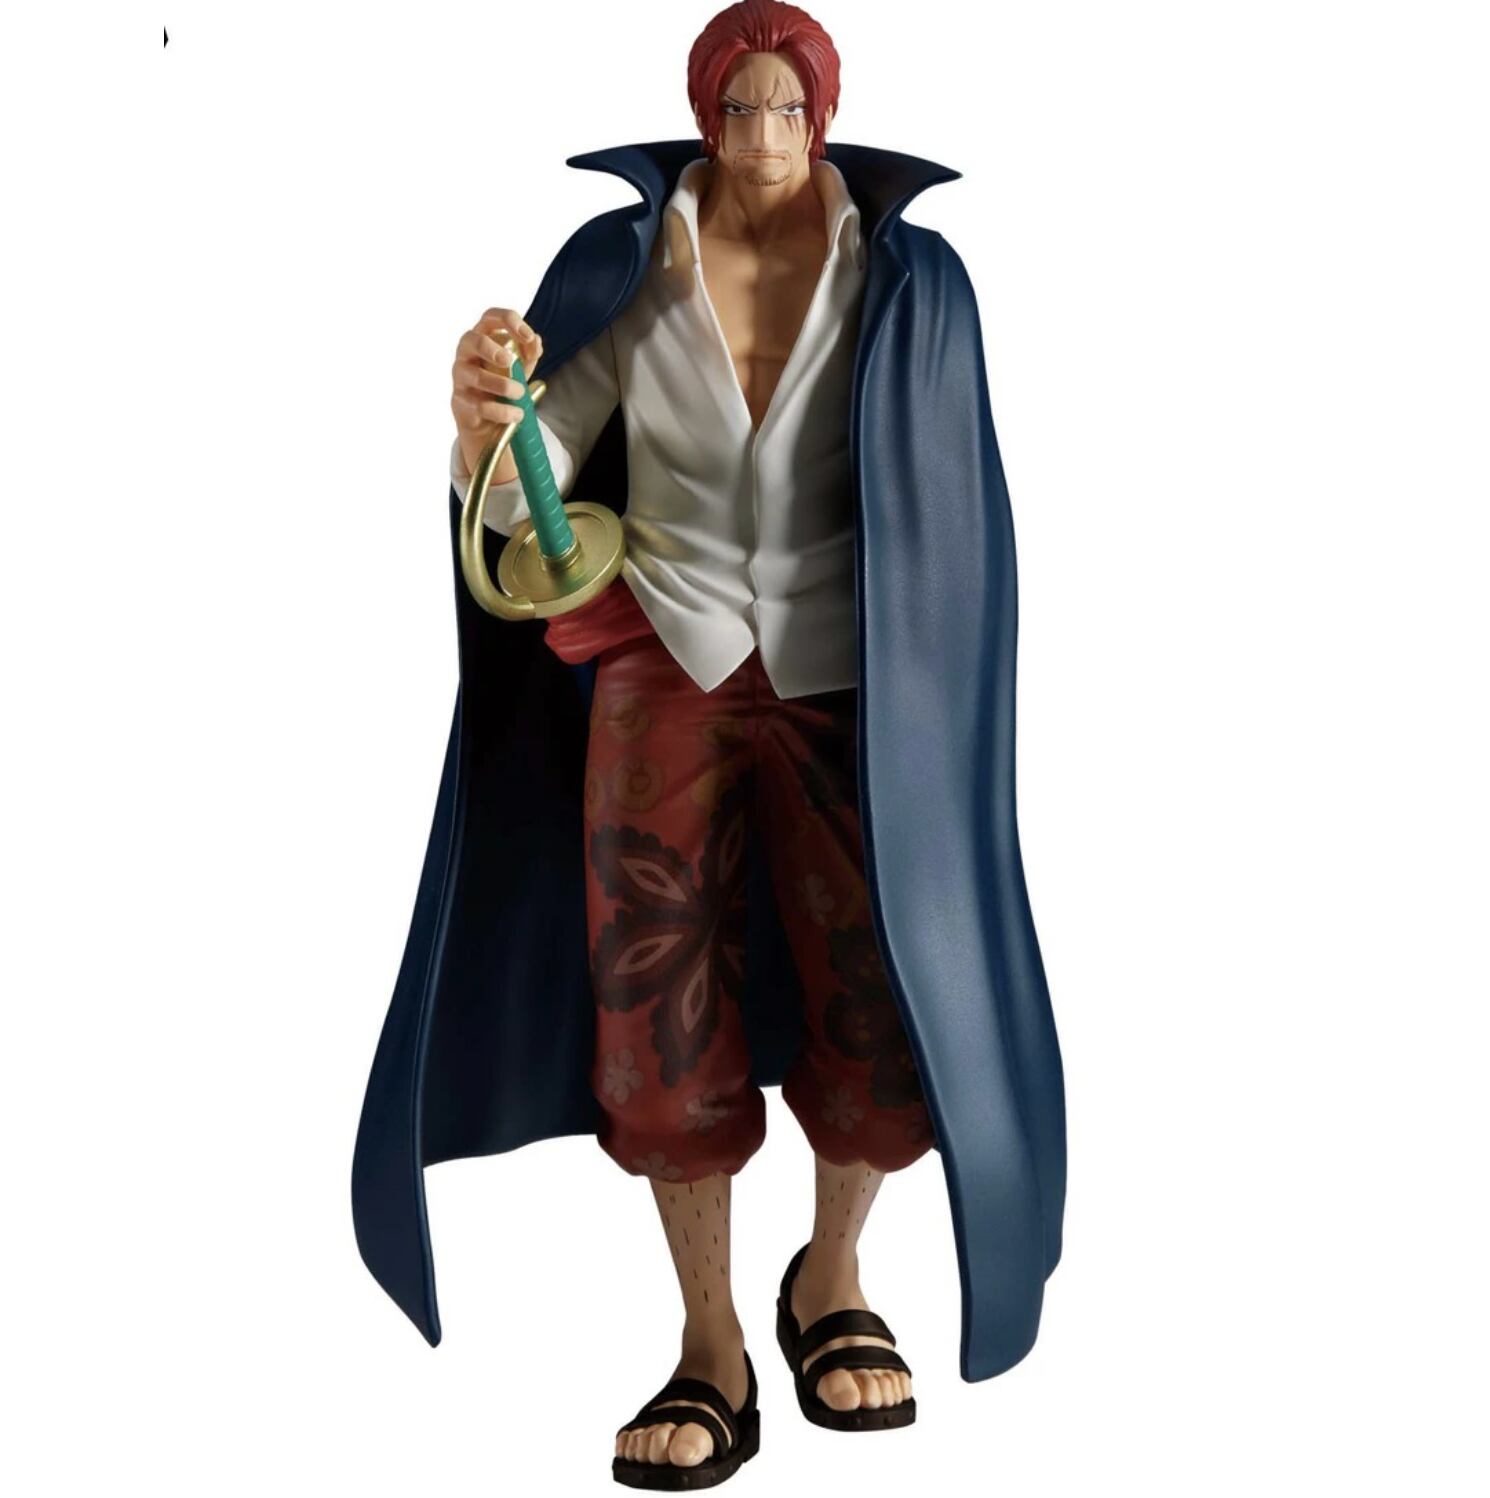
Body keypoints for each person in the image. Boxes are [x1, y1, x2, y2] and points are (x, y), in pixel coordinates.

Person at [354, 2, 1065, 1488]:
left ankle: (834, 1274)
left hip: (852, 672)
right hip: (664, 657)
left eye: (785, 109)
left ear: (823, 115)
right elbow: (540, 470)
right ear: (703, 119)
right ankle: (709, 1338)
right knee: (652, 989)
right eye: (736, 109)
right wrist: (485, 432)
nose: (760, 137)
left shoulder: (908, 282)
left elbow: (955, 508)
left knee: (882, 979)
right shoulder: (636, 271)